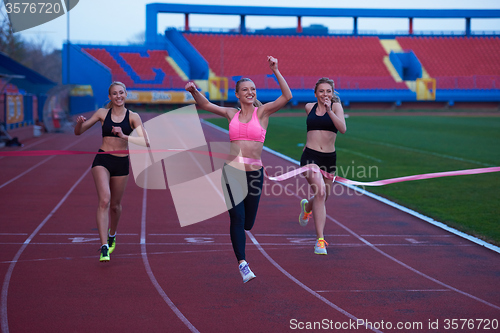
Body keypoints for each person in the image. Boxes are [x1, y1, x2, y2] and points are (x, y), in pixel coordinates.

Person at [185, 56, 292, 283]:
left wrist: (275, 70)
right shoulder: (231, 114)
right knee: (237, 217)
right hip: (232, 172)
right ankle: (243, 263)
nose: (250, 92)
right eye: (245, 89)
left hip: (254, 174)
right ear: (237, 94)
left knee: (248, 224)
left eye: (253, 89)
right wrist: (193, 91)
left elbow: (287, 96)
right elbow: (205, 105)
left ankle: (242, 249)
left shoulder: (262, 114)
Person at [74, 81, 146, 262]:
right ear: (110, 97)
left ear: (126, 94)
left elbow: (146, 141)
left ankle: (112, 233)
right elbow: (79, 132)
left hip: (121, 164)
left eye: (121, 93)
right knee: (104, 200)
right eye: (114, 93)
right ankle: (104, 245)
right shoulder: (101, 113)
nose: (118, 96)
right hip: (103, 159)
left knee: (115, 205)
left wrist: (124, 136)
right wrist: (79, 124)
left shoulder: (133, 117)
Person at [298, 77, 346, 255]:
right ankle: (320, 240)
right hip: (310, 156)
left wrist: (329, 111)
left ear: (332, 93)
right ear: (315, 93)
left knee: (323, 196)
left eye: (328, 91)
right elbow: (313, 131)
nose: (325, 94)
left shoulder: (336, 107)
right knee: (320, 192)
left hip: (329, 158)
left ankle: (307, 207)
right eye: (321, 91)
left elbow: (342, 129)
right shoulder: (309, 107)